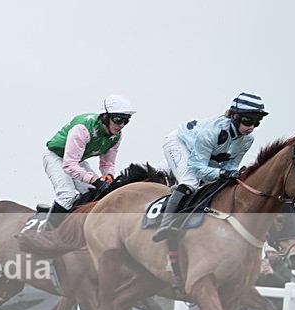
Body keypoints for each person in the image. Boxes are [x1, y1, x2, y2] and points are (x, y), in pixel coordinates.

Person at [153, 92, 268, 242]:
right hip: (180, 144)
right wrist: (222, 173)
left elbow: (231, 165)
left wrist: (230, 174)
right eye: (248, 121)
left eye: (256, 123)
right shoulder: (213, 131)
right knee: (190, 182)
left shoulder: (247, 139)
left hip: (204, 155)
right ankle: (165, 224)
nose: (251, 127)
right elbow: (196, 166)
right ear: (235, 117)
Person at [40, 94, 136, 229]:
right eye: (118, 119)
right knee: (67, 196)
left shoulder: (116, 137)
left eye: (126, 121)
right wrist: (96, 181)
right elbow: (69, 165)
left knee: (97, 193)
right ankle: (44, 235)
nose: (121, 125)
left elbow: (107, 164)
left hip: (77, 160)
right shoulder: (83, 128)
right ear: (105, 116)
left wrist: (108, 177)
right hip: (56, 157)